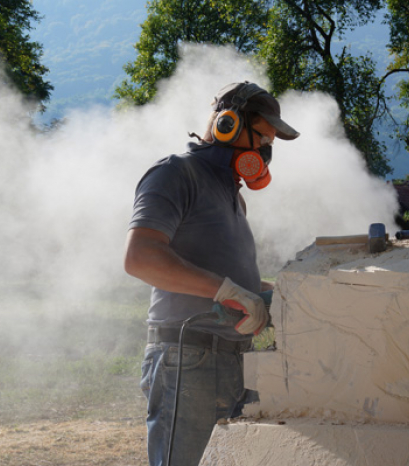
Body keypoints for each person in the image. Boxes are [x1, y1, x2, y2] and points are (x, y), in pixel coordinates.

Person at [123, 81, 299, 466]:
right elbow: (140, 257)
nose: (266, 152)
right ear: (228, 124)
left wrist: (268, 294)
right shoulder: (175, 174)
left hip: (235, 360)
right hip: (188, 360)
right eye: (263, 137)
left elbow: (227, 277)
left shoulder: (233, 195)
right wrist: (226, 291)